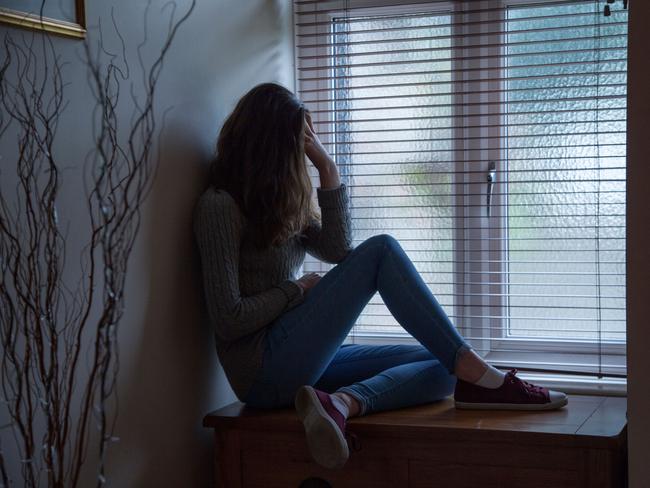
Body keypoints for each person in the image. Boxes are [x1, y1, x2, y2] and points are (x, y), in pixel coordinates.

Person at [193, 82, 567, 470]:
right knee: (382, 250)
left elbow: (338, 249)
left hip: (297, 357)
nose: (299, 155)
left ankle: (341, 403)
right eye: (296, 145)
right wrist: (296, 290)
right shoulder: (219, 207)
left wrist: (327, 167)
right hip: (261, 371)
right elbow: (228, 318)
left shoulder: (279, 199)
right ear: (270, 145)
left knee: (443, 361)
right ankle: (484, 376)